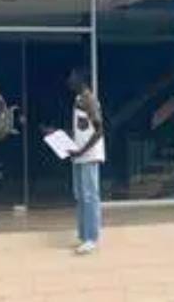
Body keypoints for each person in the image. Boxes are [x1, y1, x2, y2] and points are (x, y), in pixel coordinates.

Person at [65, 67, 105, 255]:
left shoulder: (89, 100)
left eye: (72, 77)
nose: (69, 80)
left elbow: (99, 130)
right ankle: (83, 234)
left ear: (81, 80)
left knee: (89, 196)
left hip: (89, 155)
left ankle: (91, 238)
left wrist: (82, 150)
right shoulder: (78, 100)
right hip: (79, 154)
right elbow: (81, 128)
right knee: (80, 195)